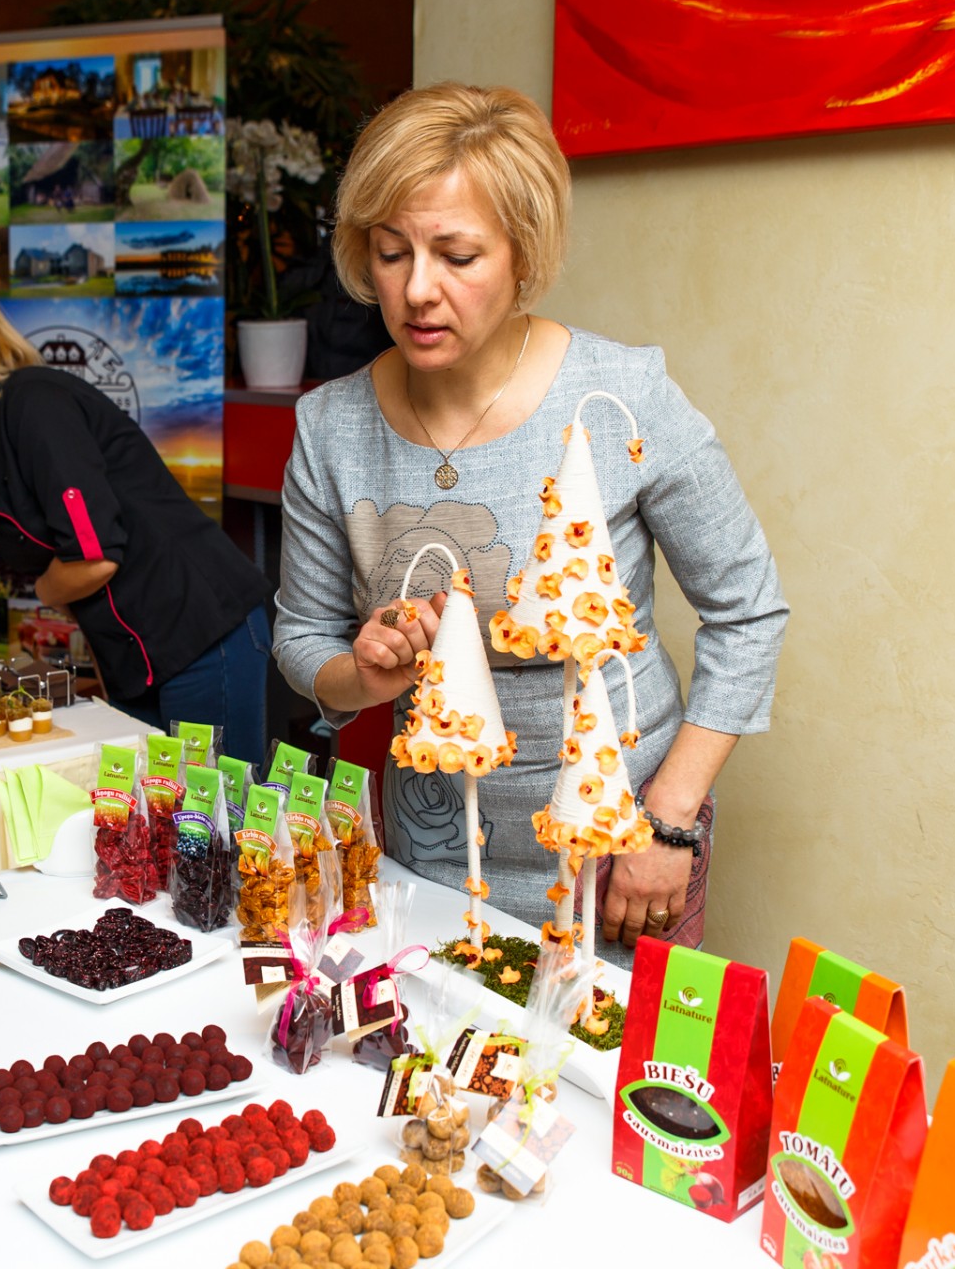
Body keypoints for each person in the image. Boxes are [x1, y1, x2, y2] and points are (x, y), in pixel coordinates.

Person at [272, 84, 788, 965]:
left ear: (523, 255)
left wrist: (669, 827)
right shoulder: (331, 427)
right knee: (444, 1080)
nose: (417, 290)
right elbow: (301, 637)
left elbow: (749, 613)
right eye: (392, 253)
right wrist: (360, 675)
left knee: (601, 1086)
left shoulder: (621, 397)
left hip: (620, 842)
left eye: (458, 256)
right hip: (434, 845)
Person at [0, 273, 273, 764]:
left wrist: (44, 592)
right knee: (150, 816)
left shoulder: (33, 403)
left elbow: (94, 558)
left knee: (211, 819)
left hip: (201, 632)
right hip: (133, 655)